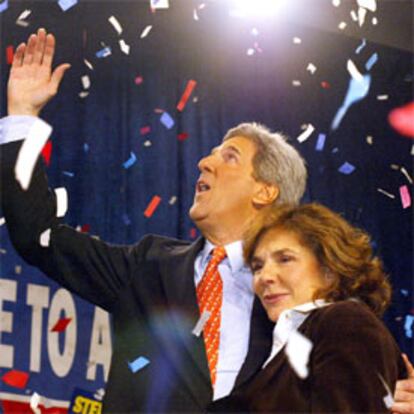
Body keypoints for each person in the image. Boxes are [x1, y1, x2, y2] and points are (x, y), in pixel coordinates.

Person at [1, 28, 413, 413]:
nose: (204, 162)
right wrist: (22, 115)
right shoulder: (148, 266)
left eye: (229, 157)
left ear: (265, 190)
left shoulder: (301, 305)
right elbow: (39, 236)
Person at [209, 202, 409, 412]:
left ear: (330, 268)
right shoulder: (279, 350)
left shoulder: (346, 321)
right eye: (257, 267)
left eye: (285, 259)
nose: (264, 277)